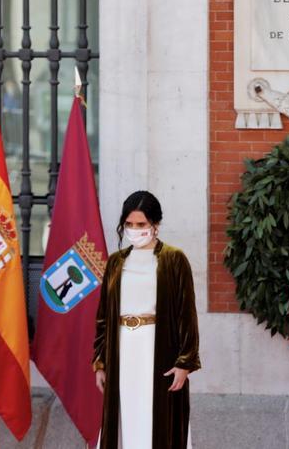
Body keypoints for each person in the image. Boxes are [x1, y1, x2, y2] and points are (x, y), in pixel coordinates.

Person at [93, 191, 201, 449]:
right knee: (123, 418)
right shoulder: (116, 263)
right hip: (122, 351)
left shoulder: (174, 259)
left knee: (157, 420)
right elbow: (103, 317)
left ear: (155, 225)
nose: (134, 230)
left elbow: (186, 314)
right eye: (129, 224)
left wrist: (185, 361)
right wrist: (100, 362)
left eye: (141, 224)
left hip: (158, 349)